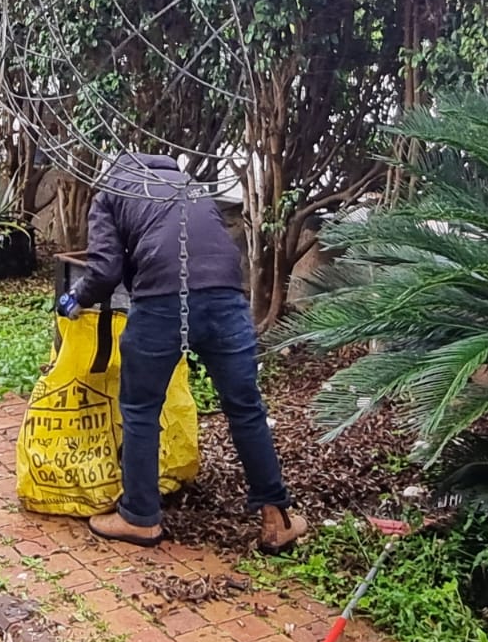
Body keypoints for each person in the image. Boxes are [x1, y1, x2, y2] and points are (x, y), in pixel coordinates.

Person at [57, 152, 307, 553]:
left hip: (162, 301)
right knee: (245, 407)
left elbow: (104, 271)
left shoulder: (112, 191)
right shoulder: (191, 188)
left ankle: (139, 517)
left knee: (141, 407)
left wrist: (75, 298)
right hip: (226, 295)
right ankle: (277, 519)